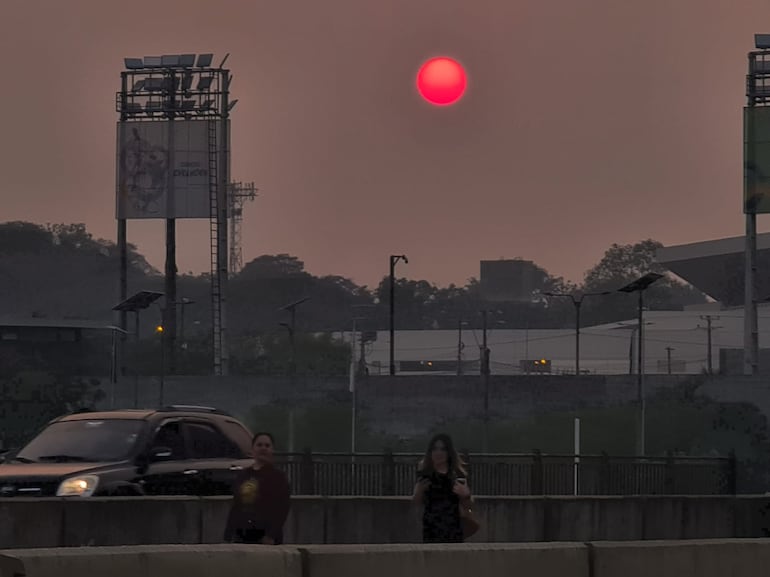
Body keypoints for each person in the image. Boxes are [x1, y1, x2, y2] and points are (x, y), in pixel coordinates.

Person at [224, 432, 291, 545]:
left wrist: (271, 535)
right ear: (252, 449)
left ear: (272, 450)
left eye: (267, 445)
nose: (263, 448)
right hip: (242, 536)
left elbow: (283, 508)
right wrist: (228, 535)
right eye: (259, 445)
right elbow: (236, 506)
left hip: (266, 537)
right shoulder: (244, 475)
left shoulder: (278, 477)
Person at [412, 433, 473, 543]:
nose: (438, 453)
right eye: (435, 449)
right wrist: (419, 491)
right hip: (431, 528)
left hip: (453, 528)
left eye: (443, 449)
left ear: (449, 452)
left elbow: (468, 507)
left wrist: (466, 495)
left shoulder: (457, 475)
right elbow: (416, 502)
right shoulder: (425, 474)